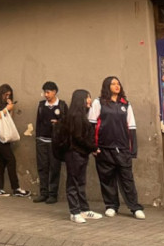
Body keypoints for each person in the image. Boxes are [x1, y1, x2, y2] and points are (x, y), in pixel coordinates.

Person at [88, 77, 145, 219]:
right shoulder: (98, 102)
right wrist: (93, 147)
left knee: (127, 179)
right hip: (104, 148)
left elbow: (131, 127)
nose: (116, 86)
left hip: (122, 148)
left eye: (118, 83)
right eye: (113, 84)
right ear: (107, 86)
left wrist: (132, 149)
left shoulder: (126, 104)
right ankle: (111, 206)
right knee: (107, 179)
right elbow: (91, 126)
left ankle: (134, 207)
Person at [59, 90, 100, 223]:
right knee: (73, 183)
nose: (90, 100)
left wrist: (90, 149)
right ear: (80, 99)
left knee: (81, 182)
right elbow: (78, 137)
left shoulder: (82, 116)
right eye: (88, 97)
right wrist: (93, 147)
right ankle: (74, 212)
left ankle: (84, 209)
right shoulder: (76, 116)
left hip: (81, 154)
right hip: (74, 154)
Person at [0, 84, 30, 197]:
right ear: (1, 92)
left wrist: (10, 107)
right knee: (11, 159)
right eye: (5, 94)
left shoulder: (5, 103)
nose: (7, 97)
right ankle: (16, 188)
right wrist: (7, 109)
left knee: (1, 161)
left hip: (5, 135)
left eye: (9, 95)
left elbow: (9, 119)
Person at [34, 81, 67, 204]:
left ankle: (53, 194)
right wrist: (37, 138)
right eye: (44, 92)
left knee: (54, 168)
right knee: (42, 167)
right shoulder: (42, 105)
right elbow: (38, 122)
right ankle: (43, 193)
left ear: (54, 92)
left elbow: (67, 123)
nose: (46, 95)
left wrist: (58, 124)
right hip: (42, 140)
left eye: (48, 92)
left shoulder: (62, 105)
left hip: (55, 142)